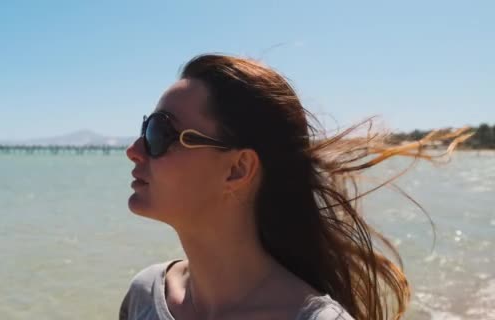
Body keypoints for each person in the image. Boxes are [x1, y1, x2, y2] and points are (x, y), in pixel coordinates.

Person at [120, 54, 471, 320]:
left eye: (159, 133)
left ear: (238, 169)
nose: (134, 150)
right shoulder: (144, 297)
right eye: (145, 127)